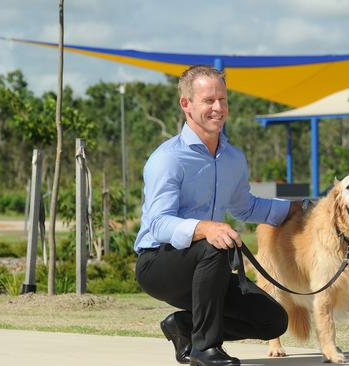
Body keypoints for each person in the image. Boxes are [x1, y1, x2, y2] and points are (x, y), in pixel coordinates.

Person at [134, 65, 301, 366]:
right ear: (186, 104)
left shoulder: (233, 158)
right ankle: (205, 348)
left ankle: (184, 327)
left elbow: (245, 207)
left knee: (273, 321)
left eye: (222, 100)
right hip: (159, 264)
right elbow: (157, 224)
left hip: (210, 269)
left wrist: (296, 207)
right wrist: (204, 228)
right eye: (209, 100)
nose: (218, 107)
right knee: (214, 244)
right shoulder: (167, 159)